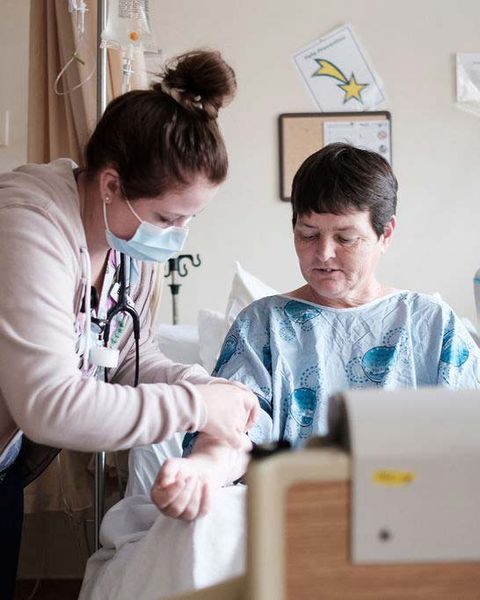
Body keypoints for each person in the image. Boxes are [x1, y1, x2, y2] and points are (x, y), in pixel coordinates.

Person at [0, 50, 258, 598]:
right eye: (168, 217)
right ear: (112, 184)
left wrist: (197, 382)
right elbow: (48, 404)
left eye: (191, 218)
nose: (178, 235)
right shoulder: (27, 227)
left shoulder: (128, 253)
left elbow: (129, 361)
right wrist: (195, 408)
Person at [151, 142, 480, 520]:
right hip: (295, 513)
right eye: (308, 234)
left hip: (413, 512)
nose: (323, 254)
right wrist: (204, 470)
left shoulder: (431, 323)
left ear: (385, 233)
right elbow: (235, 433)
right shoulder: (263, 325)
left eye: (345, 238)